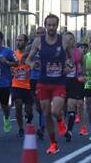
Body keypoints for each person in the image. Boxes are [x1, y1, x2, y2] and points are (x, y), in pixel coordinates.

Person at [26, 14, 67, 154]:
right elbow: (28, 60)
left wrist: (70, 65)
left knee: (55, 111)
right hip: (43, 82)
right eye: (48, 25)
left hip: (59, 82)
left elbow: (73, 57)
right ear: (45, 25)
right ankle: (53, 143)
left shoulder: (64, 40)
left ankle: (61, 121)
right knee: (47, 114)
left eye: (53, 25)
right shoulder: (38, 42)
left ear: (57, 25)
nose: (51, 27)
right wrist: (32, 64)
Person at [23, 26, 46, 139]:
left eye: (42, 33)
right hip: (33, 78)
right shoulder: (32, 46)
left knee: (42, 104)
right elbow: (24, 60)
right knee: (38, 105)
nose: (40, 35)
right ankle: (35, 117)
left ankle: (42, 127)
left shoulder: (50, 46)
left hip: (45, 78)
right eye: (38, 33)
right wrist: (31, 64)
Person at [63, 32, 86, 142]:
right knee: (62, 106)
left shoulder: (79, 52)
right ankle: (63, 121)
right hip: (62, 81)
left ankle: (69, 131)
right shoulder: (60, 53)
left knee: (72, 104)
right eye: (66, 39)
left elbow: (84, 65)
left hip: (74, 81)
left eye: (71, 39)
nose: (69, 41)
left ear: (74, 41)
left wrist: (82, 74)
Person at [12, 34, 34, 138]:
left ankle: (29, 117)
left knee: (29, 110)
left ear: (25, 42)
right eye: (17, 40)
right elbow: (10, 65)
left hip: (28, 86)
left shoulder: (30, 54)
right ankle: (21, 128)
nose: (18, 42)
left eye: (20, 40)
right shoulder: (14, 54)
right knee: (18, 105)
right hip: (16, 85)